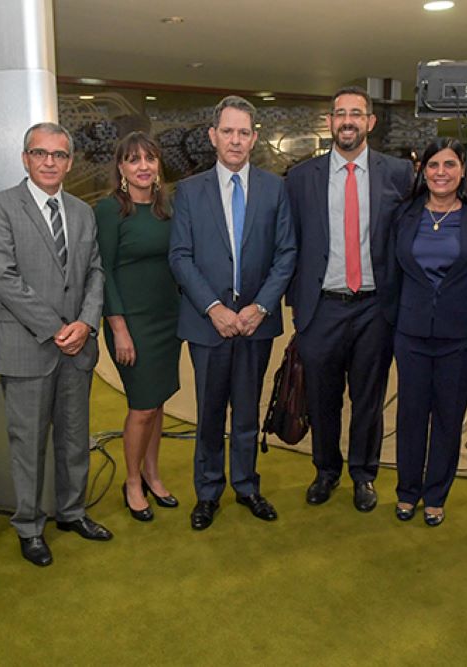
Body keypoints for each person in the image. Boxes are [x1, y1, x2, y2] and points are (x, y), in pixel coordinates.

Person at [0, 122, 111, 567]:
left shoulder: (82, 211)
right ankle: (29, 527)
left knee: (75, 439)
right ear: (25, 159)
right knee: (28, 444)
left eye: (59, 155)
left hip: (78, 346)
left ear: (70, 162)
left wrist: (86, 323)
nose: (50, 162)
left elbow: (95, 271)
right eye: (40, 154)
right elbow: (4, 279)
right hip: (29, 347)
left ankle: (73, 512)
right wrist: (58, 327)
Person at [168, 95, 295, 530]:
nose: (236, 140)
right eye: (228, 131)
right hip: (209, 325)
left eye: (244, 132)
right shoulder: (188, 191)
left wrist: (260, 307)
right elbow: (181, 257)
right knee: (208, 414)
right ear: (213, 136)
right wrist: (215, 308)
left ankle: (246, 485)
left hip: (256, 324)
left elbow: (286, 254)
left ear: (255, 138)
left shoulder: (276, 188)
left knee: (247, 409)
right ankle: (207, 492)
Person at [285, 86, 413, 512]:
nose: (347, 121)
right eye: (339, 113)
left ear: (370, 122)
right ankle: (326, 470)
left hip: (375, 308)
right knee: (322, 397)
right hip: (321, 306)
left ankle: (363, 474)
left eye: (356, 114)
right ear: (329, 122)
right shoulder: (302, 178)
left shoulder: (398, 174)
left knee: (368, 399)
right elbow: (291, 243)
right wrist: (296, 305)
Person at [393, 138, 467, 526]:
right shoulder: (405, 215)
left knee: (448, 418)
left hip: (460, 337)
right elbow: (390, 271)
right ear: (423, 171)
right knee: (411, 414)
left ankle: (436, 495)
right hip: (410, 332)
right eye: (433, 165)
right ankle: (406, 492)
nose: (441, 173)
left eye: (449, 165)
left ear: (462, 171)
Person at [96, 132, 180, 522]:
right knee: (142, 405)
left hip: (167, 318)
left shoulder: (167, 209)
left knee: (158, 401)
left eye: (150, 158)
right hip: (131, 322)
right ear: (121, 168)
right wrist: (119, 328)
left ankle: (152, 472)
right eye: (133, 159)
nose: (143, 166)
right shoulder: (110, 210)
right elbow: (104, 271)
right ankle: (132, 481)